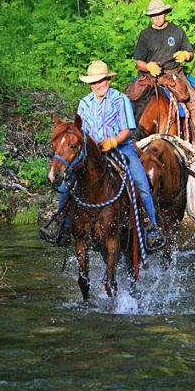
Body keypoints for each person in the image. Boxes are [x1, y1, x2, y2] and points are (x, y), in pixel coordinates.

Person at [41, 60, 165, 251]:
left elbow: (126, 130)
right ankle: (61, 224)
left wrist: (114, 141)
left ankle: (151, 229)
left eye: (100, 81)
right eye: (93, 82)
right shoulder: (84, 103)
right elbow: (80, 133)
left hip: (121, 148)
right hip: (92, 151)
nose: (97, 86)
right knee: (67, 183)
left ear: (108, 80)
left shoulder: (120, 99)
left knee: (140, 183)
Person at [134, 0, 195, 149]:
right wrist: (148, 66)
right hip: (151, 76)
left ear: (165, 13)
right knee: (132, 103)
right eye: (154, 15)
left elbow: (190, 52)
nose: (157, 17)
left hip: (175, 74)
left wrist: (186, 56)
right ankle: (131, 142)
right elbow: (139, 63)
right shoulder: (145, 35)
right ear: (150, 16)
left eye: (160, 14)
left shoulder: (177, 31)